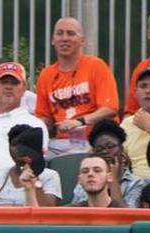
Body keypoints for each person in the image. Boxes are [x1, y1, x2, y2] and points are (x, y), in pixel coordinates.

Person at [36, 17, 119, 157]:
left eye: (71, 33)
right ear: (52, 40)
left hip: (95, 139)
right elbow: (45, 117)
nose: (64, 38)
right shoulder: (46, 74)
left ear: (82, 40)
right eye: (60, 33)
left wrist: (79, 122)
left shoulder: (96, 66)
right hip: (60, 142)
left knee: (74, 156)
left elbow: (110, 108)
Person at [0, 124, 62, 207]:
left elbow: (48, 212)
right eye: (13, 146)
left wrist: (35, 181)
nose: (18, 150)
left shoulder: (50, 176)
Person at [70, 119, 147, 208]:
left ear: (121, 149)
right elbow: (77, 211)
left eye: (110, 147)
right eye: (99, 148)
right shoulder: (87, 179)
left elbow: (125, 215)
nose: (105, 151)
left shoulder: (136, 183)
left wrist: (112, 178)